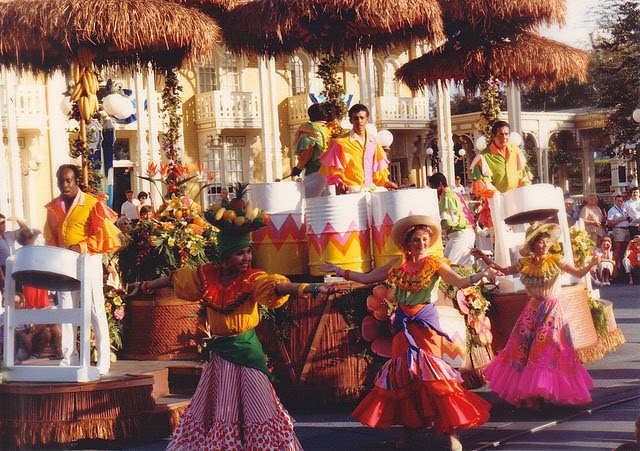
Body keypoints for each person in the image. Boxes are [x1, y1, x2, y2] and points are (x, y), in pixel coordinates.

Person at [126, 225, 341, 450]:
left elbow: (279, 287)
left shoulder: (252, 279)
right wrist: (144, 285)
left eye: (248, 252)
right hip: (220, 356)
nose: (247, 257)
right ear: (225, 258)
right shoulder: (206, 277)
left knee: (259, 406)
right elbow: (174, 279)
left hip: (246, 352)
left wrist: (312, 288)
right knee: (221, 410)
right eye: (240, 253)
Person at [318, 215, 498, 451]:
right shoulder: (397, 266)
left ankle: (451, 433)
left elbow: (459, 282)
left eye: (425, 239)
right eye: (416, 240)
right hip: (403, 326)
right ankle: (408, 430)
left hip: (425, 326)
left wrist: (480, 276)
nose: (421, 243)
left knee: (434, 376)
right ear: (407, 243)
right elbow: (367, 277)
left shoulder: (435, 264)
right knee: (403, 375)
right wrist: (339, 270)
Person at [471, 222, 599, 410]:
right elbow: (504, 271)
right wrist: (484, 258)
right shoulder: (525, 263)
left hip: (552, 310)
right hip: (532, 310)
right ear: (533, 245)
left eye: (546, 240)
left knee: (547, 348)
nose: (544, 244)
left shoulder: (557, 261)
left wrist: (591, 264)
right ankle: (530, 395)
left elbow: (578, 273)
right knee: (522, 350)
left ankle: (542, 389)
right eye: (540, 241)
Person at [43, 164, 121, 375]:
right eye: (61, 181)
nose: (64, 185)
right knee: (67, 309)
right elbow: (50, 237)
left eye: (68, 180)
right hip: (63, 261)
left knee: (94, 308)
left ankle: (103, 359)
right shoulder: (54, 207)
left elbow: (102, 234)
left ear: (76, 180)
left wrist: (82, 246)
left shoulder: (91, 203)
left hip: (88, 260)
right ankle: (70, 358)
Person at [319, 103, 398, 194]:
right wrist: (340, 183)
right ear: (351, 120)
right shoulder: (341, 142)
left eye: (362, 118)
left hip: (370, 191)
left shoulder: (373, 142)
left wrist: (386, 183)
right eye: (356, 118)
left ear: (367, 119)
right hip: (350, 191)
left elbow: (378, 172)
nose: (359, 121)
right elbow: (334, 171)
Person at [469, 121, 531, 227]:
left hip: (516, 202)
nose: (504, 137)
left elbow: (523, 178)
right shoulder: (484, 157)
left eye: (506, 134)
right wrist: (499, 197)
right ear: (493, 136)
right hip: (497, 204)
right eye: (500, 134)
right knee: (501, 237)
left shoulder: (515, 151)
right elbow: (483, 185)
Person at [429, 172, 476, 266]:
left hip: (461, 234)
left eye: (433, 187)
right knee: (445, 263)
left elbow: (448, 224)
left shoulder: (447, 197)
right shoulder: (453, 194)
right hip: (460, 234)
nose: (433, 191)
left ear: (440, 185)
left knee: (450, 267)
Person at [290, 103, 330, 198]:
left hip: (315, 172)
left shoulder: (309, 129)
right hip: (332, 173)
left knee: (309, 204)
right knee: (328, 206)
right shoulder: (331, 129)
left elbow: (306, 152)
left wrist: (298, 168)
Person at [0, 214, 29, 289]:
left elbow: (25, 230)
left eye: (4, 222)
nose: (3, 224)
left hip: (15, 267)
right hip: (4, 268)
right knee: (7, 293)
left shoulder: (9, 235)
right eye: (1, 223)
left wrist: (17, 219)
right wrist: (2, 275)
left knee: (19, 292)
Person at [607, 194, 631, 278]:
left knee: (625, 250)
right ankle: (616, 270)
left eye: (621, 201)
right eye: (618, 201)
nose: (620, 202)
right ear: (615, 201)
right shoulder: (612, 210)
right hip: (618, 229)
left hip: (626, 230)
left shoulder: (624, 209)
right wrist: (620, 219)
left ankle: (623, 270)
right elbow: (609, 223)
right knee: (617, 249)